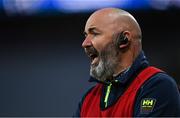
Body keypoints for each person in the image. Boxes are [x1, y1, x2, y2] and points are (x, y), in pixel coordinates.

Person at [74, 8, 180, 117]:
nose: (84, 43)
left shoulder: (157, 86)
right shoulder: (88, 99)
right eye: (86, 35)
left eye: (95, 33)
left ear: (124, 39)